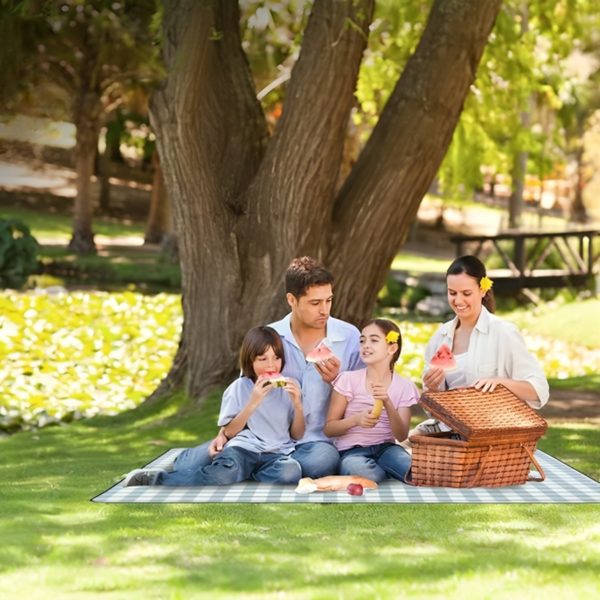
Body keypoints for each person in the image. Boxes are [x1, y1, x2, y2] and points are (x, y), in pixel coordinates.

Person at [171, 256, 363, 480]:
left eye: (328, 300)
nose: (325, 310)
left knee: (322, 462)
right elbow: (247, 388)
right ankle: (253, 462)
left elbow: (361, 398)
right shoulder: (269, 336)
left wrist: (336, 381)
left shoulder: (349, 336)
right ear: (292, 299)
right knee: (186, 466)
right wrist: (224, 434)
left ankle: (251, 464)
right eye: (315, 303)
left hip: (315, 441)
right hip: (263, 436)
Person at [122, 326, 304, 486]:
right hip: (243, 449)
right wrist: (253, 402)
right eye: (262, 359)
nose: (271, 365)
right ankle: (155, 479)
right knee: (221, 476)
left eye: (276, 358)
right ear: (251, 362)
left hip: (276, 454)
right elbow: (230, 433)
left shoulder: (290, 387)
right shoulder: (239, 387)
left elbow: (297, 435)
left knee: (292, 471)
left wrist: (298, 405)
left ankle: (243, 473)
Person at [414, 255, 549, 438]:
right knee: (397, 453)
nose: (458, 301)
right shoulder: (441, 337)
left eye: (466, 293)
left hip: (489, 435)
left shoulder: (502, 332)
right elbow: (433, 410)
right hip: (446, 432)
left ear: (483, 290)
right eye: (452, 293)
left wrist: (500, 382)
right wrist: (432, 390)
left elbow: (539, 389)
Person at [323, 319, 419, 483]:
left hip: (387, 449)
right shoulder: (348, 379)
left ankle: (385, 472)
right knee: (365, 473)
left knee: (415, 471)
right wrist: (355, 420)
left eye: (374, 340)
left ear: (392, 348)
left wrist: (387, 402)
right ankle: (384, 473)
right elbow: (329, 429)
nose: (366, 345)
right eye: (362, 340)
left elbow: (402, 435)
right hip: (352, 451)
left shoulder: (404, 386)